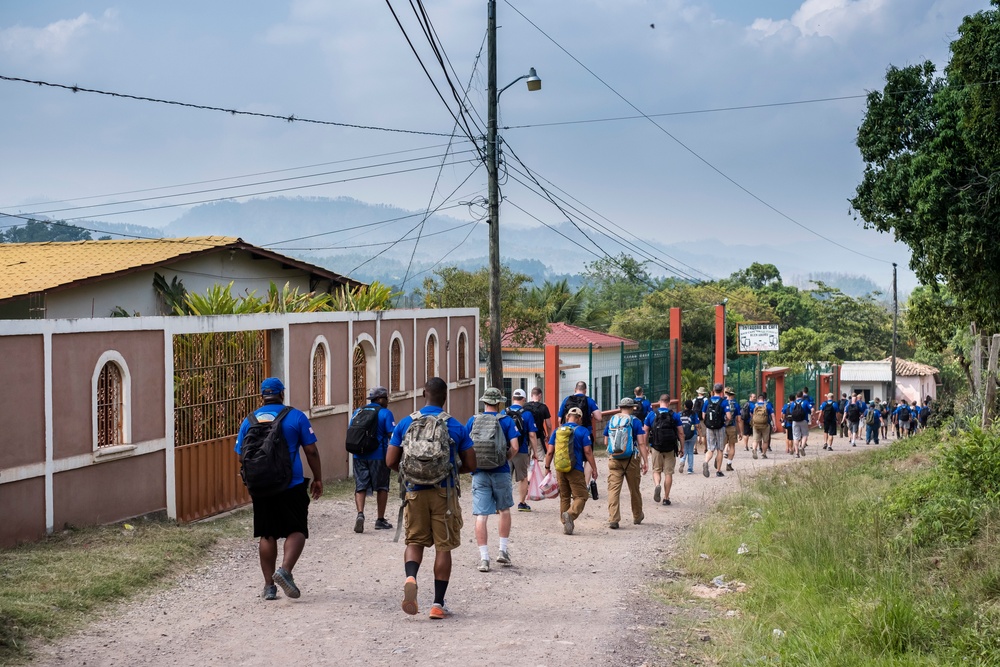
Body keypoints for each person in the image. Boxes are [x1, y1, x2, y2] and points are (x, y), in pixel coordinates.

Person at [387, 377, 476, 620]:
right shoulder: (455, 425)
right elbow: (471, 463)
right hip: (443, 493)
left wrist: (411, 474)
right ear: (444, 397)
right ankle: (437, 604)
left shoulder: (406, 423)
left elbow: (390, 461)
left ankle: (411, 577)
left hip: (414, 491)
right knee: (443, 547)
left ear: (423, 393)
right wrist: (451, 471)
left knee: (414, 541)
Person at [235, 377, 323, 601]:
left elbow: (239, 455)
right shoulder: (295, 416)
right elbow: (311, 451)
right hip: (290, 483)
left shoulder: (249, 420)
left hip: (261, 485)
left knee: (267, 532)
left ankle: (268, 587)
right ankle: (284, 570)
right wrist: (318, 478)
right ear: (282, 394)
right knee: (297, 529)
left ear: (262, 396)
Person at [467, 387, 520, 572]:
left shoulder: (473, 420)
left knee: (482, 515)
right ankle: (502, 551)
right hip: (501, 471)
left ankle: (483, 558)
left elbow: (465, 445)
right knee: (504, 510)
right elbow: (515, 446)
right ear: (498, 402)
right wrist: (505, 459)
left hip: (479, 472)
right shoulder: (505, 421)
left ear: (484, 402)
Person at [348, 386, 395, 534]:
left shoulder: (358, 411)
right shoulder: (385, 413)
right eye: (386, 398)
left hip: (358, 455)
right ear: (381, 399)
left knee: (360, 485)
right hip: (379, 456)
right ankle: (380, 520)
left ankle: (360, 513)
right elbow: (392, 435)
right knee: (382, 486)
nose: (387, 401)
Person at [545, 406, 598, 535]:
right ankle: (570, 514)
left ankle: (565, 523)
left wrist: (547, 468)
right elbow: (588, 451)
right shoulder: (583, 431)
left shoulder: (557, 431)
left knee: (564, 496)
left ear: (568, 416)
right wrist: (594, 468)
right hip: (575, 469)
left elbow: (550, 451)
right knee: (581, 496)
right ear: (579, 418)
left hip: (560, 469)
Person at [604, 398, 649, 528]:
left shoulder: (612, 420)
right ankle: (637, 516)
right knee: (634, 489)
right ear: (632, 408)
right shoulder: (635, 421)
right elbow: (641, 443)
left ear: (620, 407)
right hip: (631, 459)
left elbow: (606, 442)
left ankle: (613, 518)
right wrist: (645, 461)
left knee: (613, 489)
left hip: (614, 459)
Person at [645, 394, 684, 504]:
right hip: (670, 448)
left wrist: (645, 445)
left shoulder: (652, 414)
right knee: (668, 473)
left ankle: (657, 485)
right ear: (669, 402)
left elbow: (645, 430)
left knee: (656, 470)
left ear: (659, 401)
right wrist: (682, 447)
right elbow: (681, 433)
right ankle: (666, 498)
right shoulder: (674, 415)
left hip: (656, 447)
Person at [507, 388, 539, 512]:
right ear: (524, 399)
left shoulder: (505, 412)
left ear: (513, 398)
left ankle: (502, 503)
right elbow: (532, 435)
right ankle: (522, 503)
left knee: (505, 477)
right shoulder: (527, 414)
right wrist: (535, 452)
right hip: (521, 449)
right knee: (523, 477)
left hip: (507, 450)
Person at [701, 383, 731, 477]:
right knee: (720, 449)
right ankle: (718, 471)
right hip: (720, 427)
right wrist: (725, 421)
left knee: (710, 448)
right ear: (722, 391)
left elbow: (703, 415)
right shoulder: (724, 402)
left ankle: (706, 462)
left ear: (713, 390)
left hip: (709, 427)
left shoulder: (708, 401)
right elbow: (729, 416)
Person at [523, 386, 552, 460]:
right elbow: (549, 425)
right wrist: (549, 435)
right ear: (540, 395)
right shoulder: (543, 407)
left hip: (526, 435)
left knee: (526, 457)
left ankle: (528, 470)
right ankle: (535, 471)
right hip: (538, 435)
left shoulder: (524, 406)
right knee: (538, 458)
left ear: (531, 395)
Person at [749, 391, 775, 459]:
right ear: (764, 399)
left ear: (758, 399)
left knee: (755, 440)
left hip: (756, 425)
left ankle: (754, 449)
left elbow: (751, 414)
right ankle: (764, 454)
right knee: (765, 440)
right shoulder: (768, 405)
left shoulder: (754, 405)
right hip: (765, 425)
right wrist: (774, 424)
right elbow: (772, 415)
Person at [678, 399, 699, 473]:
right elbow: (697, 425)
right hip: (692, 434)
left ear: (684, 406)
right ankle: (690, 469)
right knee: (690, 451)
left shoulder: (680, 414)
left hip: (682, 435)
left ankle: (682, 460)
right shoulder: (694, 414)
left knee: (684, 449)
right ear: (692, 406)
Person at [722, 388, 740, 472]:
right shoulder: (736, 405)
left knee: (721, 446)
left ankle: (717, 460)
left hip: (722, 427)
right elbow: (738, 419)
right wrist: (740, 431)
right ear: (733, 395)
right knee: (732, 446)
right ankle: (729, 464)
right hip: (732, 427)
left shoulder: (722, 403)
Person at [790, 391, 810, 458]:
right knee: (804, 435)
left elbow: (791, 412)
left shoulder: (793, 403)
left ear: (796, 396)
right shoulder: (805, 402)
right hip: (804, 420)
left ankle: (797, 453)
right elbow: (811, 409)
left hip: (795, 421)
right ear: (802, 396)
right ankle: (802, 446)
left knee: (796, 437)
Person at [693, 387, 707, 454]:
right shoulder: (706, 399)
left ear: (698, 393)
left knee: (695, 433)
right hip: (702, 419)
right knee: (704, 434)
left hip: (695, 419)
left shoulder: (694, 400)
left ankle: (695, 448)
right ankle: (705, 448)